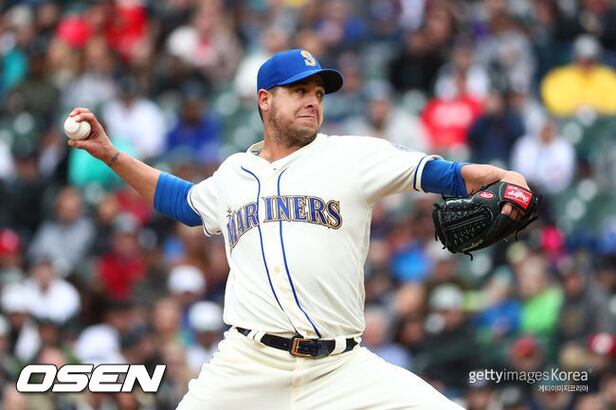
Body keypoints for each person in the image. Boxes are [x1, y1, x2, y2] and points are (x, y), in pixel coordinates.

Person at [67, 49, 532, 409]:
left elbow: (443, 174)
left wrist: (504, 177)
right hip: (248, 365)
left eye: (319, 93)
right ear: (265, 100)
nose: (313, 100)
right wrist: (111, 155)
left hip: (341, 368)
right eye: (299, 90)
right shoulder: (234, 174)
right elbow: (183, 202)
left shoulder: (352, 156)